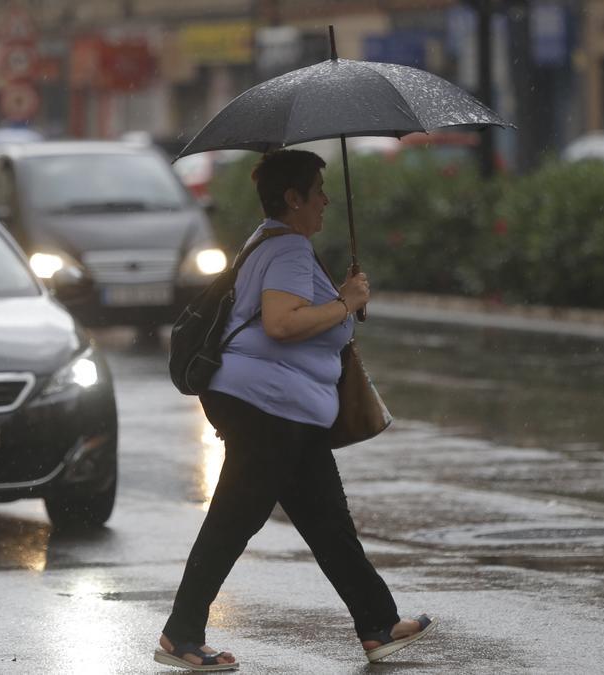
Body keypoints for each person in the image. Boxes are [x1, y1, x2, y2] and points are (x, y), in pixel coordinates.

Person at [154, 149, 434, 672]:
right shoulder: (287, 251)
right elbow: (282, 323)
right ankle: (181, 634)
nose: (326, 200)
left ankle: (377, 623)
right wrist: (345, 302)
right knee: (233, 521)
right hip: (267, 409)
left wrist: (339, 301)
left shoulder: (271, 242)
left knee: (329, 521)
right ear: (292, 198)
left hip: (283, 411)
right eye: (318, 190)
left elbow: (290, 317)